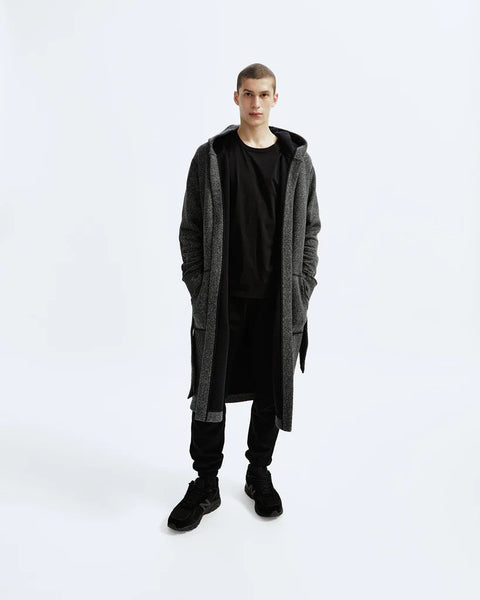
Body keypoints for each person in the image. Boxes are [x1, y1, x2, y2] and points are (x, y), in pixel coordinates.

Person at [168, 63, 321, 531]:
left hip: (277, 302)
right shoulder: (212, 157)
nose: (256, 103)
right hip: (221, 301)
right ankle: (205, 483)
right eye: (248, 94)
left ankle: (258, 474)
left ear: (276, 98)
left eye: (264, 94)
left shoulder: (297, 162)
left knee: (271, 389)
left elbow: (310, 230)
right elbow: (191, 227)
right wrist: (197, 284)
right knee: (209, 393)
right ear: (236, 97)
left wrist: (302, 286)